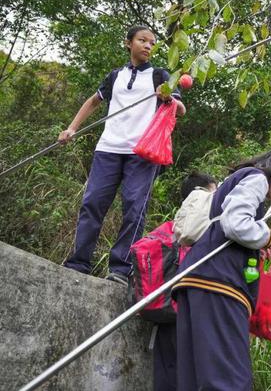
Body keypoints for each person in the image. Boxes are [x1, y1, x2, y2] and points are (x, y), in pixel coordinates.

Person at [172, 146, 271, 391]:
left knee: (197, 376)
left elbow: (231, 224)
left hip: (198, 277)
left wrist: (256, 245)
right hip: (219, 280)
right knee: (229, 376)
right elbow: (235, 224)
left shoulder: (237, 180)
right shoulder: (257, 178)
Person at [60, 25, 186, 285]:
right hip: (108, 148)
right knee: (92, 203)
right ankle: (78, 262)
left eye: (152, 43)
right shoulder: (115, 75)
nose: (148, 46)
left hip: (142, 153)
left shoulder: (160, 75)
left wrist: (168, 98)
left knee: (133, 210)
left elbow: (181, 109)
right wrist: (72, 128)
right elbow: (94, 100)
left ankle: (120, 268)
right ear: (128, 43)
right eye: (142, 40)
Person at [152, 171, 217, 391]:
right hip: (191, 307)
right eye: (214, 191)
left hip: (163, 308)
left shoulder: (170, 228)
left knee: (167, 372)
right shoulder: (201, 229)